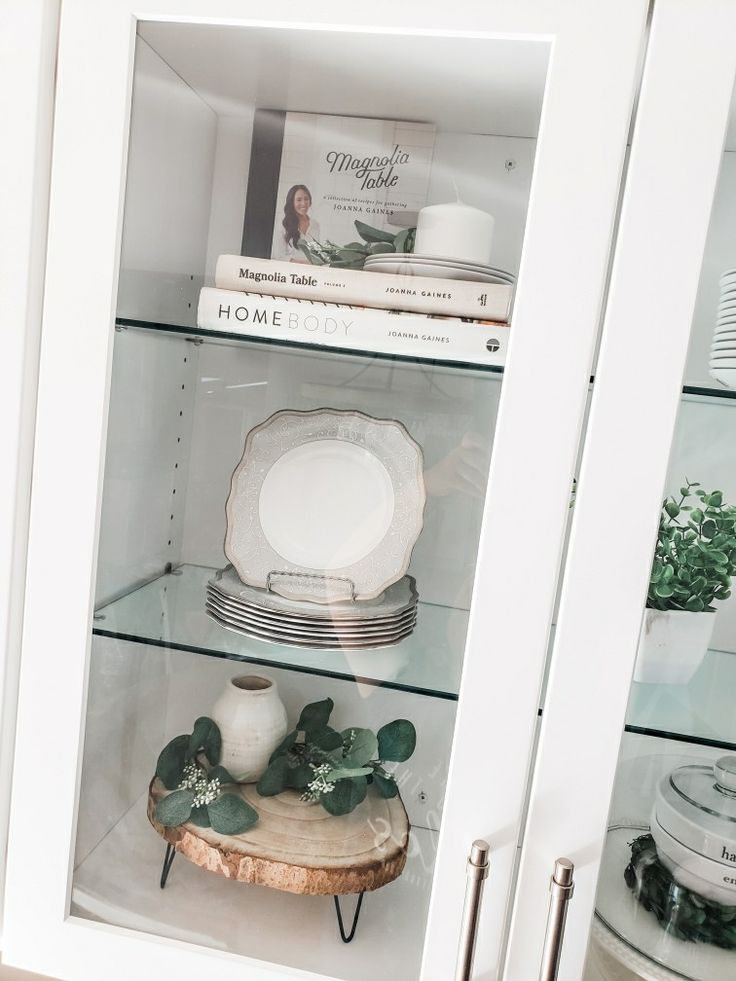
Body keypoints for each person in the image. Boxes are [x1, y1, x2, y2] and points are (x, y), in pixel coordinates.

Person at [276, 184, 321, 261]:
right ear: (292, 202)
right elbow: (279, 256)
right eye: (299, 200)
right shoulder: (284, 225)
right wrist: (300, 263)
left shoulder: (315, 225)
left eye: (306, 199)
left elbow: (316, 254)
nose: (303, 203)